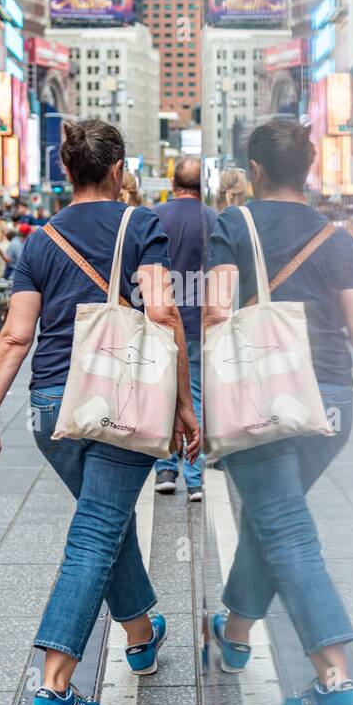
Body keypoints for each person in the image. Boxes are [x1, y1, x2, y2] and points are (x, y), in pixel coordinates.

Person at [0, 118, 200, 705]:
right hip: (121, 400)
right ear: (120, 171)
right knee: (97, 530)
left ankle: (140, 631)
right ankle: (54, 684)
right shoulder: (141, 224)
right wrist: (183, 401)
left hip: (51, 407)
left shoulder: (40, 240)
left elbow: (17, 332)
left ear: (68, 172)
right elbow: (163, 311)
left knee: (106, 520)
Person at [203, 119, 353, 705]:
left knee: (286, 531)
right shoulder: (339, 237)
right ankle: (235, 631)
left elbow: (216, 314)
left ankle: (335, 678)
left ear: (257, 171)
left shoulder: (232, 225)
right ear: (310, 170)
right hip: (333, 406)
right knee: (276, 517)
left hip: (264, 400)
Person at [151, 158, 217, 501]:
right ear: (201, 186)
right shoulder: (212, 218)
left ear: (172, 181)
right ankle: (194, 476)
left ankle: (165, 467)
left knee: (161, 392)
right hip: (199, 323)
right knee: (196, 395)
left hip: (161, 320)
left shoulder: (155, 215)